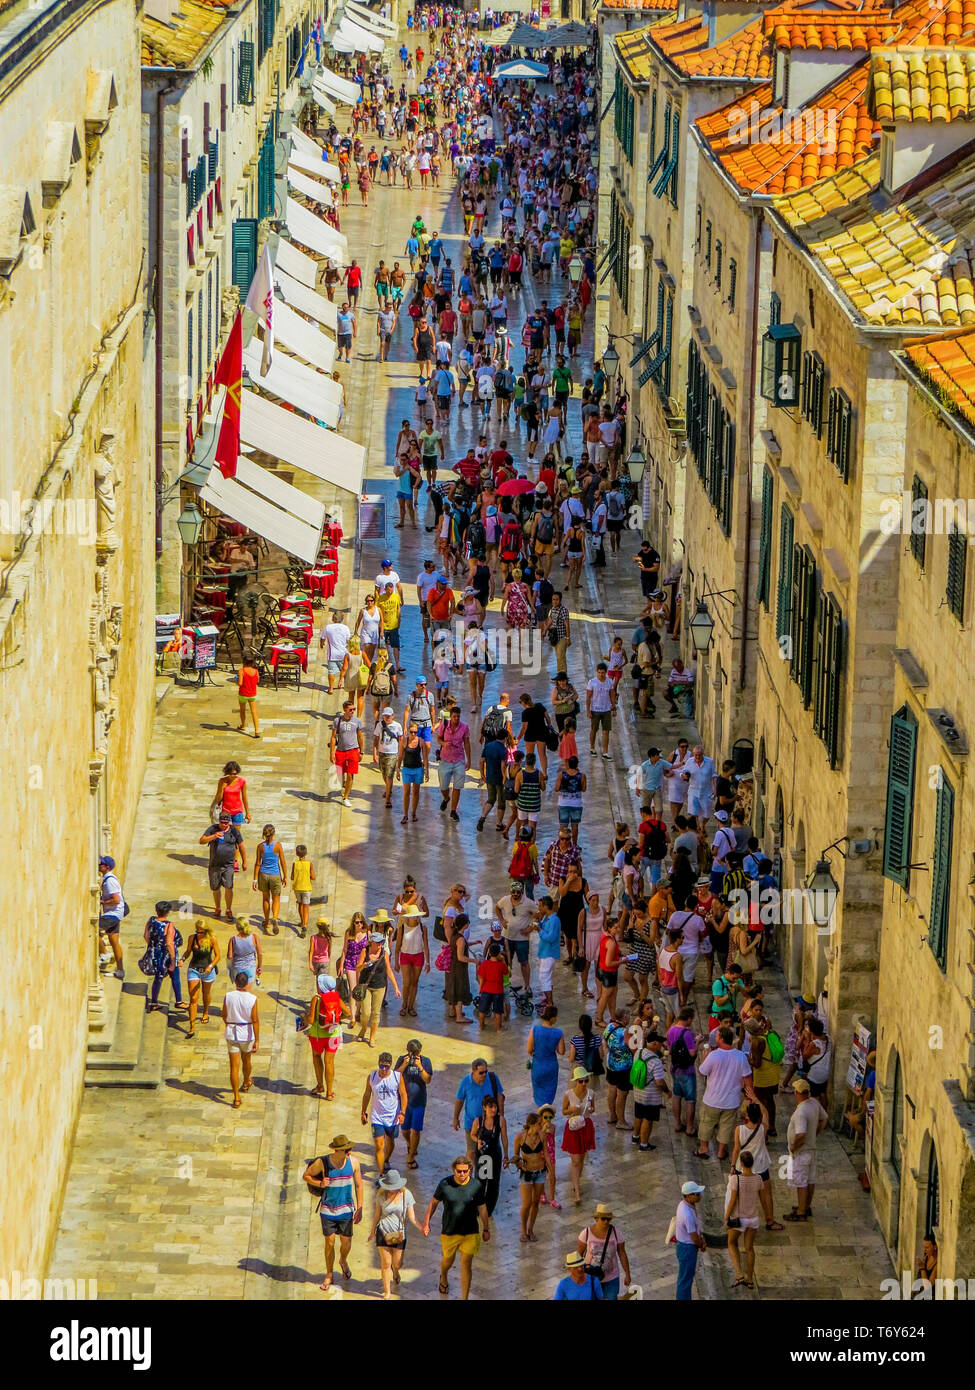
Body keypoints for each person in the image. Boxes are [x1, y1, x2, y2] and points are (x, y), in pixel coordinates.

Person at [422, 1156, 491, 1300]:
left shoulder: (476, 1186)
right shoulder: (445, 1184)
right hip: (449, 1231)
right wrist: (426, 1222)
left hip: (470, 1231)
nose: (461, 1174)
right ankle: (444, 1275)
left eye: (465, 1171)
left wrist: (486, 1228)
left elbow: (482, 1208)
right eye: (459, 1171)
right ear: (454, 1170)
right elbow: (434, 1203)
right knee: (448, 1260)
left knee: (466, 1264)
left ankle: (464, 1297)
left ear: (470, 1171)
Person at [303, 1135, 364, 1291]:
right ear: (338, 1150)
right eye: (347, 1150)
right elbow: (306, 1176)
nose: (349, 1152)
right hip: (328, 1209)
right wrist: (319, 1183)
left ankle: (343, 1261)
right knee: (329, 1243)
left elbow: (359, 1186)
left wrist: (360, 1207)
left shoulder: (353, 1162)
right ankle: (329, 1274)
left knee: (346, 1243)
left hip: (346, 1210)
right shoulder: (322, 1162)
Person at [696, 1024, 759, 1159]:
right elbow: (748, 1079)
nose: (715, 1038)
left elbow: (702, 1071)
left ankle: (704, 1148)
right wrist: (750, 1098)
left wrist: (704, 1058)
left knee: (706, 1123)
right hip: (731, 1100)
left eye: (717, 1036)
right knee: (726, 1126)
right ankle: (721, 1151)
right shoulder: (741, 1056)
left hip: (712, 1099)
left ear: (721, 1039)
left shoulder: (713, 1056)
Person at [370, 1169, 424, 1300]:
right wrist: (372, 1231)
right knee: (386, 1263)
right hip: (382, 1231)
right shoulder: (381, 1194)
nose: (392, 1189)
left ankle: (396, 1272)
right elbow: (377, 1214)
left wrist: (421, 1227)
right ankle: (387, 1292)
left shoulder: (407, 1195)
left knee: (397, 1263)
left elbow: (412, 1216)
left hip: (398, 1233)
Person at [785, 1078, 828, 1221]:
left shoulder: (801, 1111)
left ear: (798, 1093)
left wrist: (793, 1146)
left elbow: (801, 1134)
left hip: (802, 1151)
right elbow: (824, 1118)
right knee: (809, 1180)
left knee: (801, 1182)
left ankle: (801, 1212)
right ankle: (806, 1206)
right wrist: (815, 1134)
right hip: (812, 1148)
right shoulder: (814, 1103)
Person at [362, 1051, 408, 1176]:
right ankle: (381, 1173)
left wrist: (402, 1113)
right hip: (377, 1117)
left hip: (393, 1117)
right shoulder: (372, 1077)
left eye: (386, 1066)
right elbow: (367, 1094)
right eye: (381, 1066)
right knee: (379, 1145)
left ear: (390, 1066)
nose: (383, 1069)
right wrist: (363, 1111)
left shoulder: (397, 1077)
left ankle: (386, 1159)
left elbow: (403, 1095)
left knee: (391, 1141)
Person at [725, 1150, 763, 1290]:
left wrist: (726, 1217)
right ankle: (750, 1279)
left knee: (731, 1243)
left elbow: (733, 1200)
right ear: (752, 1163)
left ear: (741, 1163)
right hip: (753, 1218)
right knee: (749, 1248)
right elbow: (760, 1195)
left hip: (739, 1218)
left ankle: (739, 1275)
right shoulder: (758, 1179)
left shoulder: (736, 1179)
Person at [356, 931, 401, 1047]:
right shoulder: (364, 952)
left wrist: (396, 987)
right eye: (378, 942)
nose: (380, 944)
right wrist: (364, 966)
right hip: (366, 986)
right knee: (365, 1012)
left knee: (376, 1013)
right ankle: (363, 1029)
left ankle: (372, 1037)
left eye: (381, 942)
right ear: (371, 942)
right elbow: (357, 968)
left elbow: (389, 970)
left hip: (380, 986)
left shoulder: (384, 953)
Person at [578, 1203, 631, 1301]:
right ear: (597, 1218)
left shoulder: (616, 1233)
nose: (606, 1222)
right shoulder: (586, 1234)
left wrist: (627, 1274)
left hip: (612, 1278)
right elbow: (579, 1255)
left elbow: (622, 1254)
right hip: (591, 1277)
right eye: (603, 1218)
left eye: (608, 1219)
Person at [222, 970, 259, 1109]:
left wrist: (230, 1024)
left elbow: (224, 1015)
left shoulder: (228, 996)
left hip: (232, 1032)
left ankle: (236, 1097)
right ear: (247, 983)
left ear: (236, 982)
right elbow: (255, 1020)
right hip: (247, 1033)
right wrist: (257, 1040)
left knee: (234, 1067)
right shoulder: (252, 999)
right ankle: (246, 1081)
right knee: (247, 1061)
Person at [394, 1039, 433, 1169]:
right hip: (404, 1102)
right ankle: (411, 1144)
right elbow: (394, 1076)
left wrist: (420, 1067)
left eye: (416, 1053)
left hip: (419, 1101)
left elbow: (427, 1080)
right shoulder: (402, 1059)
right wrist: (404, 1065)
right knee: (404, 1130)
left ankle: (411, 1156)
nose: (414, 1055)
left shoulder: (425, 1061)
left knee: (415, 1130)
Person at [454, 1058, 505, 1156]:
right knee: (472, 1151)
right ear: (473, 1071)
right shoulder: (465, 1081)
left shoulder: (493, 1079)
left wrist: (501, 1115)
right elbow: (459, 1100)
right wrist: (456, 1118)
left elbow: (500, 1096)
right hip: (472, 1123)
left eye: (486, 1071)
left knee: (492, 1150)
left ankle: (492, 1169)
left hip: (490, 1124)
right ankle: (474, 1170)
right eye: (481, 1072)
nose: (484, 1074)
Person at [199, 813, 246, 920]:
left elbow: (241, 846)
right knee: (215, 888)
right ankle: (218, 908)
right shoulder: (212, 829)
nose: (224, 825)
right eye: (222, 823)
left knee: (229, 887)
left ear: (229, 822)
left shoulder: (234, 831)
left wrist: (244, 861)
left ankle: (228, 909)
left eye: (226, 823)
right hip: (214, 865)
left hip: (228, 865)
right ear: (219, 821)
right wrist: (214, 836)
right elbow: (201, 841)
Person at [561, 1066, 596, 1204]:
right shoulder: (568, 1094)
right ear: (576, 1081)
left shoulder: (591, 1093)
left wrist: (591, 1109)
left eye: (586, 1081)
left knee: (581, 1160)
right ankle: (576, 1191)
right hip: (573, 1128)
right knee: (575, 1161)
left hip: (586, 1127)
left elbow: (593, 1109)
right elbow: (563, 1111)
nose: (584, 1084)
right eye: (581, 1081)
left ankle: (576, 1183)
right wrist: (571, 1109)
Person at [143, 902, 185, 1015]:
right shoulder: (169, 925)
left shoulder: (151, 921)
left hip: (155, 953)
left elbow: (146, 936)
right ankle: (179, 1001)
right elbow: (170, 943)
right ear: (167, 912)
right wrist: (173, 960)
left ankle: (154, 1002)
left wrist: (153, 947)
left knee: (158, 978)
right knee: (175, 976)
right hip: (166, 955)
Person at [470, 1094, 508, 1217]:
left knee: (493, 1183)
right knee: (480, 1182)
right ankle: (478, 1207)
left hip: (495, 1155)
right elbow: (472, 1134)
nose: (493, 1109)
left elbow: (504, 1138)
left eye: (495, 1107)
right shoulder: (478, 1121)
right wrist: (478, 1141)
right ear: (484, 1108)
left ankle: (489, 1209)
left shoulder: (500, 1120)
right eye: (490, 1107)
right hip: (482, 1155)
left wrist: (506, 1156)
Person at [180, 921, 220, 1038]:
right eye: (197, 931)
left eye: (201, 932)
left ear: (205, 931)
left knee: (206, 993)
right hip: (194, 969)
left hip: (208, 970)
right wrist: (182, 959)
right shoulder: (192, 938)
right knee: (193, 998)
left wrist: (211, 966)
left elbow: (218, 956)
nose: (198, 933)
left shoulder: (212, 940)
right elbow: (188, 951)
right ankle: (192, 1027)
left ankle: (205, 1011)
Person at [513, 1112, 548, 1241]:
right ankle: (523, 1230)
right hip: (526, 1173)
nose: (542, 1125)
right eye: (539, 1123)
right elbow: (516, 1155)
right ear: (532, 1124)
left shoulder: (542, 1136)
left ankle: (530, 1229)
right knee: (526, 1204)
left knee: (535, 1203)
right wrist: (518, 1163)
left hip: (539, 1172)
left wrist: (551, 1169)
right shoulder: (519, 1138)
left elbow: (546, 1153)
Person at [435, 704, 471, 820]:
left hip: (459, 760)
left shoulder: (464, 727)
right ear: (451, 716)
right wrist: (444, 744)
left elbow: (466, 743)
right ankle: (446, 798)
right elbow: (438, 739)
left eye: (458, 717)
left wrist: (468, 759)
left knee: (457, 786)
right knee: (443, 787)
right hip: (445, 759)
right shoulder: (444, 725)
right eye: (454, 717)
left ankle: (453, 810)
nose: (456, 719)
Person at [674, 1180, 707, 1300]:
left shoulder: (683, 1204)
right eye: (697, 1194)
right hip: (687, 1249)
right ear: (689, 1196)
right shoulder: (686, 1213)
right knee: (685, 1280)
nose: (699, 1196)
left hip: (685, 1247)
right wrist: (701, 1244)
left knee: (684, 1278)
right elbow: (693, 1236)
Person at [528, 1004, 565, 1107]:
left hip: (538, 1065)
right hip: (551, 1066)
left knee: (539, 1094)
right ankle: (547, 1115)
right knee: (549, 1094)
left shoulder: (535, 1030)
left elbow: (529, 1049)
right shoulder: (558, 1033)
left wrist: (534, 1053)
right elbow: (561, 1052)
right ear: (552, 1018)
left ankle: (541, 1113)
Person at [252, 824, 287, 934]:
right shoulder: (278, 846)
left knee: (265, 898)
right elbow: (282, 862)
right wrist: (285, 876)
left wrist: (254, 880)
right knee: (276, 899)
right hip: (275, 875)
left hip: (263, 874)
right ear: (273, 833)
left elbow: (257, 863)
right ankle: (275, 918)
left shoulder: (260, 847)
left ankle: (267, 921)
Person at [330, 699, 365, 808]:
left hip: (353, 750)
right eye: (351, 709)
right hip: (340, 751)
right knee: (340, 774)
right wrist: (331, 753)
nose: (353, 711)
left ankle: (345, 797)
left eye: (354, 709)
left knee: (351, 774)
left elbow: (360, 736)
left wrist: (361, 751)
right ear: (345, 710)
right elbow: (333, 737)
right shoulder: (337, 721)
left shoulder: (357, 721)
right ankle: (344, 784)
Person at [97, 854, 127, 979]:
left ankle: (104, 954)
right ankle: (120, 970)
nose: (99, 865)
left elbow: (116, 899)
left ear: (107, 867)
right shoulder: (108, 878)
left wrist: (102, 902)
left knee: (93, 930)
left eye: (101, 864)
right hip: (116, 914)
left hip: (112, 914)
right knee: (114, 942)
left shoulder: (110, 881)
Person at [475, 939, 506, 1032]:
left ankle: (481, 1026)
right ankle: (499, 1028)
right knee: (498, 1011)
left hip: (486, 989)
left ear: (489, 953)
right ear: (498, 954)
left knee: (482, 1010)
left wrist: (480, 989)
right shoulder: (501, 965)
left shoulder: (484, 964)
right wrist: (503, 960)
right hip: (498, 990)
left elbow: (481, 978)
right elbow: (507, 973)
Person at [586, 662, 615, 759]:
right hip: (595, 710)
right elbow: (588, 697)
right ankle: (592, 748)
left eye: (602, 672)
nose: (601, 674)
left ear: (606, 672)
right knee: (594, 729)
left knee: (606, 731)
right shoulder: (592, 682)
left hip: (606, 710)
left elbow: (612, 695)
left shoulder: (610, 682)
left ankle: (605, 752)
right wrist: (588, 711)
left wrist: (613, 707)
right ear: (596, 672)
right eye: (599, 672)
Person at [290, 845, 315, 938]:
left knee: (300, 904)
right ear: (306, 853)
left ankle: (302, 921)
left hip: (297, 888)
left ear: (296, 854)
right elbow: (313, 877)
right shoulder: (309, 864)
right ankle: (305, 925)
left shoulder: (295, 864)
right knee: (306, 907)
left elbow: (292, 877)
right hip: (307, 888)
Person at [235, 653, 261, 736]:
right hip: (252, 694)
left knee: (242, 710)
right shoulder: (256, 671)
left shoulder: (241, 671)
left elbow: (240, 683)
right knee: (254, 712)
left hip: (243, 694)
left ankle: (243, 725)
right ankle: (256, 731)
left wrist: (236, 681)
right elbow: (257, 682)